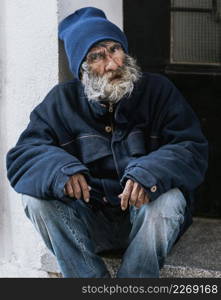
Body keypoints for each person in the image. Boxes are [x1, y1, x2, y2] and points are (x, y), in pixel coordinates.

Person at [6, 7, 208, 278]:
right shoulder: (61, 101)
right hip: (91, 224)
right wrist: (59, 170)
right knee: (35, 199)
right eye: (97, 57)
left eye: (115, 49)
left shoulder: (158, 91)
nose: (112, 64)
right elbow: (23, 156)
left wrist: (150, 173)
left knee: (169, 200)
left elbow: (191, 147)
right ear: (81, 69)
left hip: (147, 221)